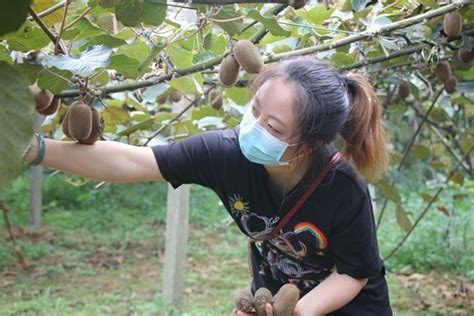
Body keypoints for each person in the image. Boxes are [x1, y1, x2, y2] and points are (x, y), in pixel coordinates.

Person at [22, 56, 392, 315]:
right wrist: (31, 149)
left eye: (274, 128)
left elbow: (354, 271)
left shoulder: (342, 187)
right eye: (256, 108)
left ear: (310, 143)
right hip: (276, 302)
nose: (254, 126)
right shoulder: (226, 153)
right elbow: (132, 160)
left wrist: (303, 310)